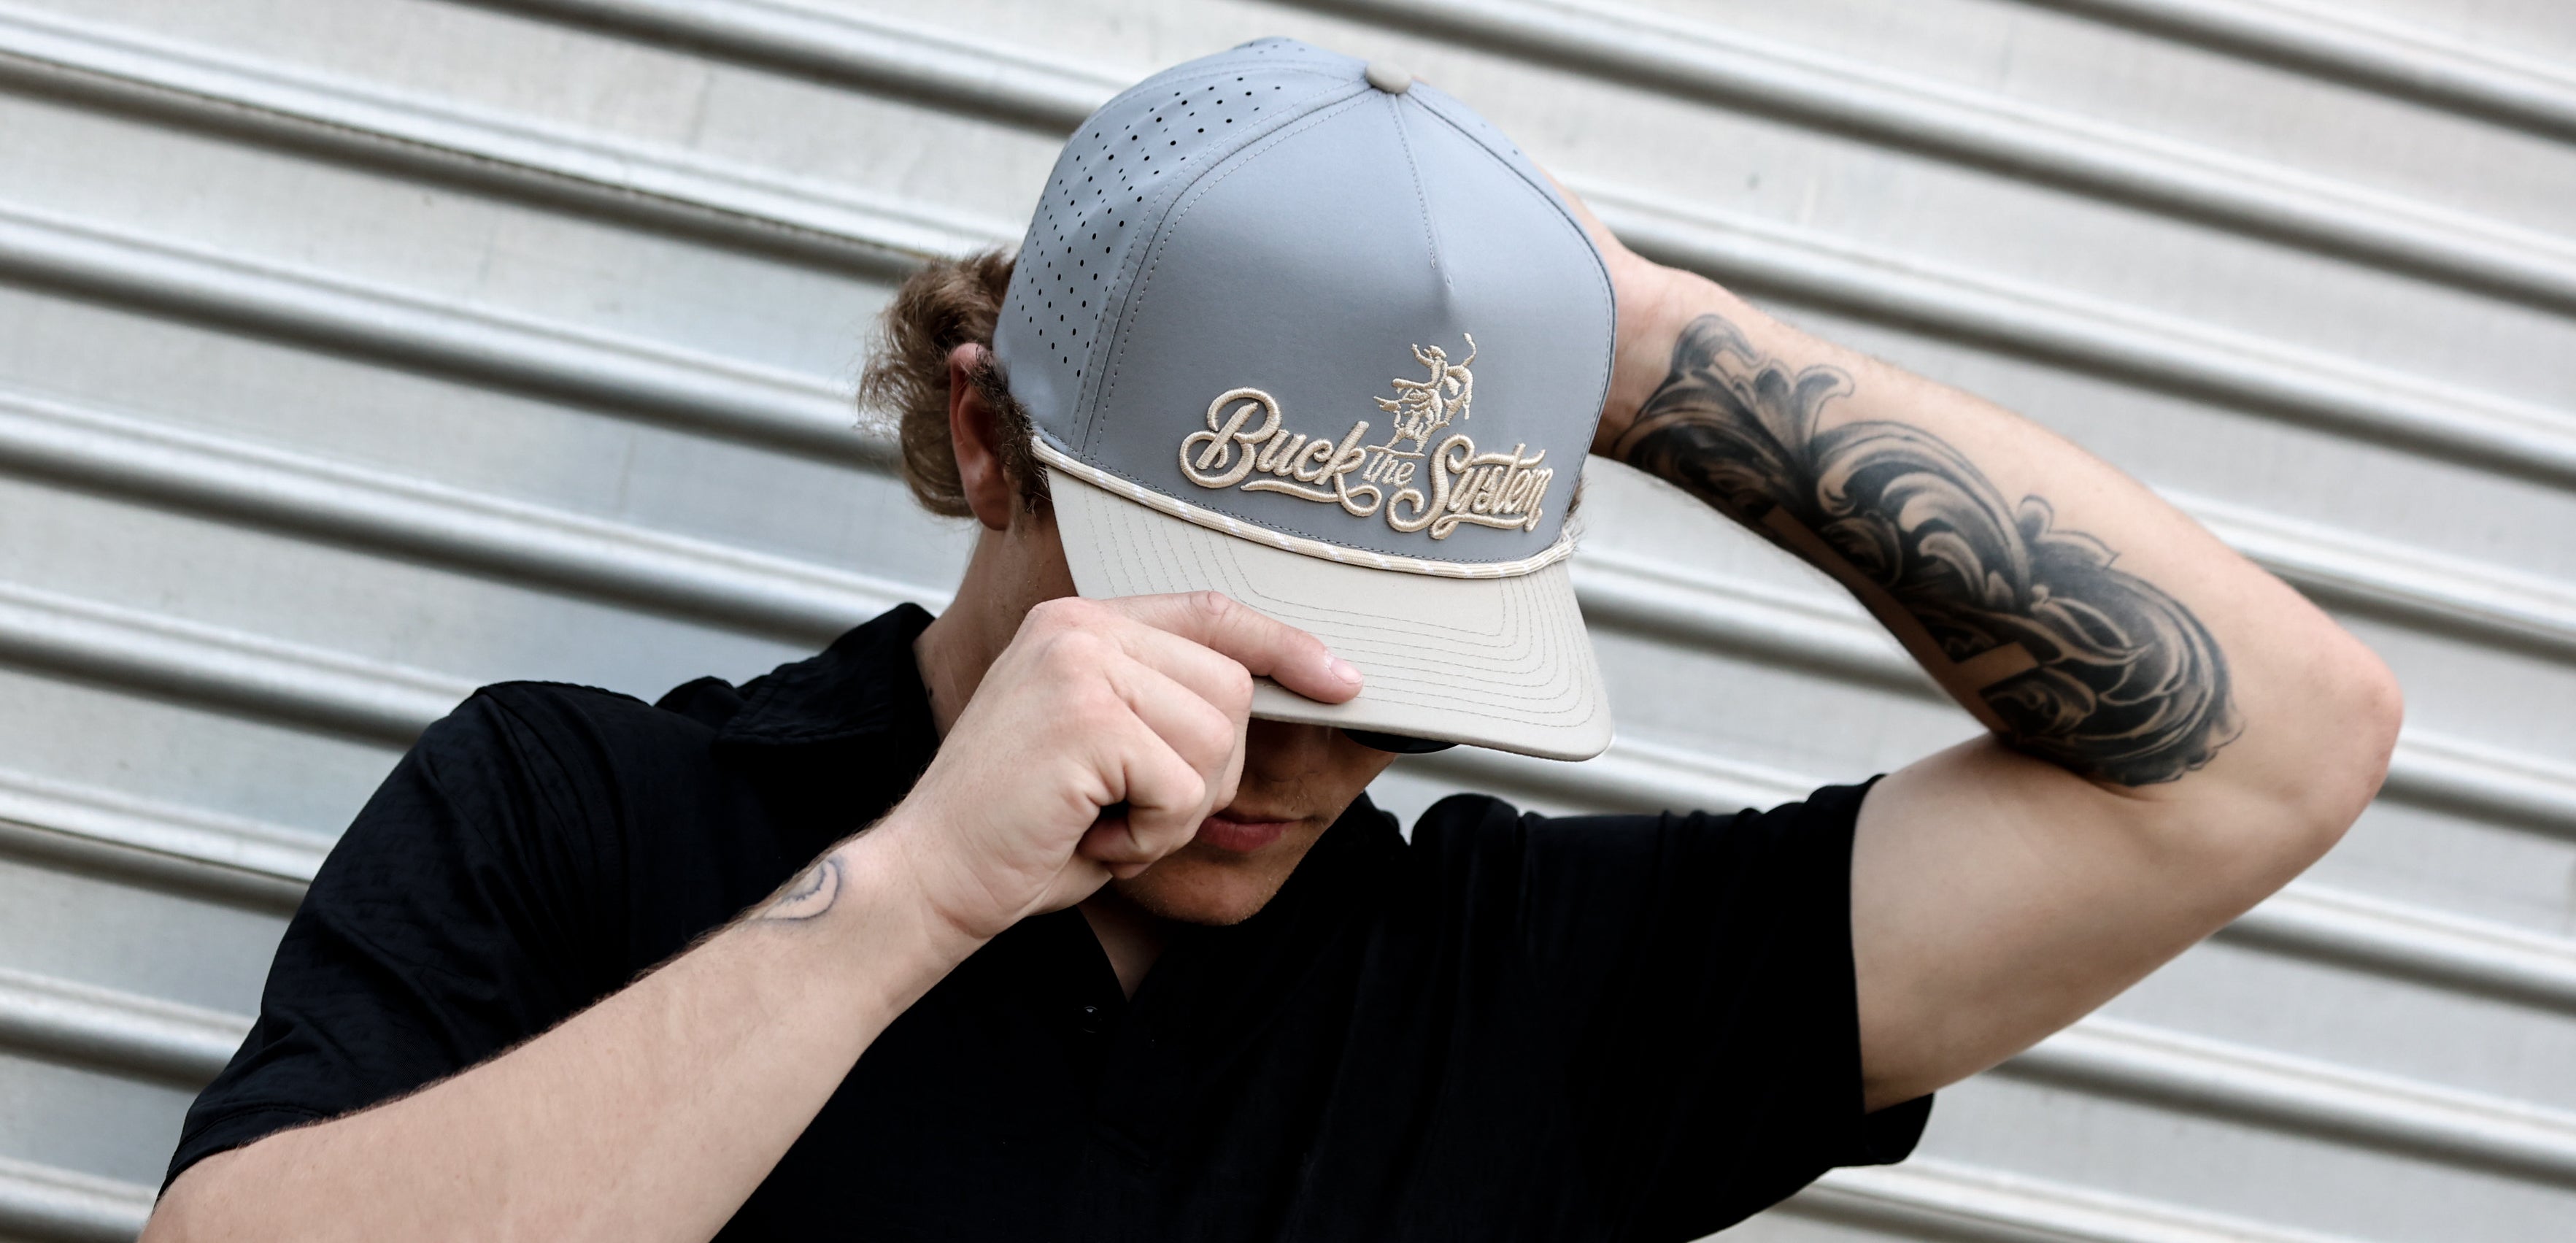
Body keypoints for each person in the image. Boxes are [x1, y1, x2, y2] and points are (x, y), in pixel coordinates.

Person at [142, 38, 2399, 1243]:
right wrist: (908, 901)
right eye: (1217, 604)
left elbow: (2270, 753)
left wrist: (1611, 346)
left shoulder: (1530, 996)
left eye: (1389, 651)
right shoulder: (578, 821)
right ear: (989, 432)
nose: (1294, 740)